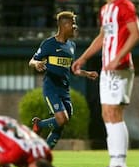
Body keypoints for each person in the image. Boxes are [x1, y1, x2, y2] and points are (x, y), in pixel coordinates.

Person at [71, 0, 139, 167]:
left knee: (114, 113)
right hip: (107, 68)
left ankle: (120, 165)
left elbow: (136, 34)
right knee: (106, 114)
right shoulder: (104, 9)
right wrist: (83, 58)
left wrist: (118, 58)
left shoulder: (125, 5)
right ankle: (113, 163)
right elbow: (103, 37)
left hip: (120, 68)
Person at [30, 11, 98, 149]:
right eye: (73, 24)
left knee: (60, 126)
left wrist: (86, 73)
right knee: (62, 119)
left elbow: (72, 69)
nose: (75, 27)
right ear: (64, 25)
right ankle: (39, 125)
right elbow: (32, 60)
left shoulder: (71, 46)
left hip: (64, 90)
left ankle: (45, 155)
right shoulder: (49, 43)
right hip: (51, 87)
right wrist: (36, 64)